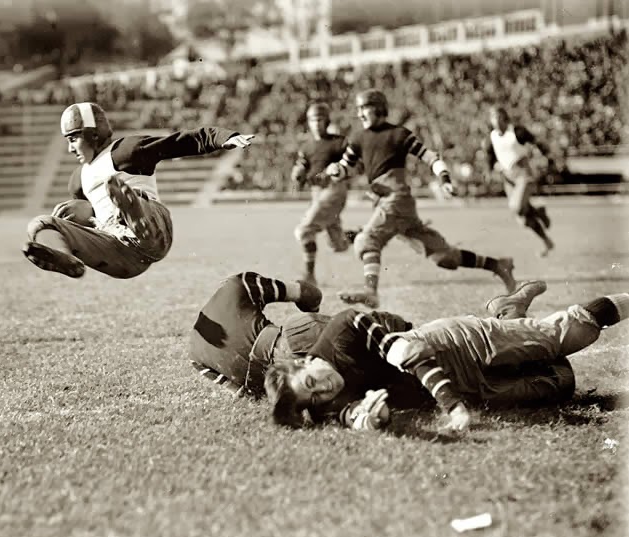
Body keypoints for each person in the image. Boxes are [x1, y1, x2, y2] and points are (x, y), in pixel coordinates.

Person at [265, 281, 627, 433]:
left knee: (566, 336)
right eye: (314, 397)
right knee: (559, 384)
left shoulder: (345, 328)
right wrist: (372, 417)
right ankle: (509, 309)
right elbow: (352, 415)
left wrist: (453, 408)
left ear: (304, 362)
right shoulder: (321, 400)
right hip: (462, 385)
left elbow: (410, 355)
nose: (323, 390)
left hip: (454, 344)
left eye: (312, 383)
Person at [325, 89, 517, 309]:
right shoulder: (358, 137)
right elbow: (345, 166)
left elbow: (431, 157)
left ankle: (371, 291)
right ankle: (499, 265)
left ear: (378, 108)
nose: (359, 114)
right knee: (444, 258)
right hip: (393, 206)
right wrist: (335, 169)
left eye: (363, 108)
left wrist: (444, 179)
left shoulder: (399, 135)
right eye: (357, 109)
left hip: (396, 200)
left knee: (366, 240)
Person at [22, 102, 255, 279]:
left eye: (73, 139)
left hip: (155, 232)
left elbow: (180, 142)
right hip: (121, 252)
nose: (70, 148)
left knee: (129, 201)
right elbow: (88, 219)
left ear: (93, 134)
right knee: (41, 223)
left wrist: (225, 137)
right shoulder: (77, 179)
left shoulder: (127, 151)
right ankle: (66, 258)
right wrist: (84, 213)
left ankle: (130, 205)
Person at [289, 102, 351, 285]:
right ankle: (362, 235)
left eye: (320, 119)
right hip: (317, 192)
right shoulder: (306, 146)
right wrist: (297, 177)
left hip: (334, 190)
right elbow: (302, 168)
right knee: (338, 245)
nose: (316, 123)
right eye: (313, 120)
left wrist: (340, 169)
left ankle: (309, 276)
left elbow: (354, 164)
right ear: (308, 122)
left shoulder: (339, 142)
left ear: (327, 121)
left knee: (304, 231)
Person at [486, 105, 555, 257]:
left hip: (523, 175)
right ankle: (546, 240)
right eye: (492, 118)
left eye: (497, 117)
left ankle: (538, 212)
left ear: (504, 118)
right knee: (523, 220)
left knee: (515, 206)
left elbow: (537, 141)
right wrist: (491, 170)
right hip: (508, 179)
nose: (495, 121)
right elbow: (490, 156)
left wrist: (547, 156)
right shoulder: (492, 137)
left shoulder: (517, 132)